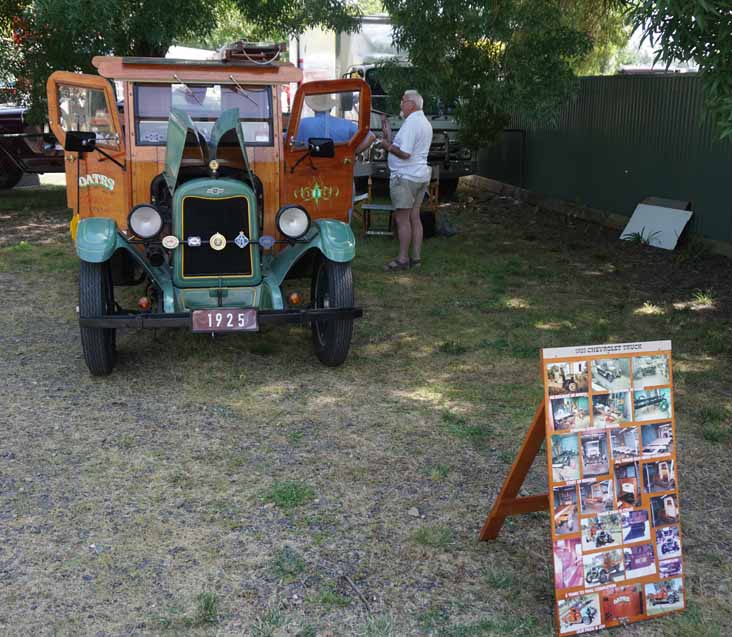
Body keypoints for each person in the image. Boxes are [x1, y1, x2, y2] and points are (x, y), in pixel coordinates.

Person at [380, 89, 433, 271]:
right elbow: (405, 147)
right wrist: (388, 135)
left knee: (402, 220)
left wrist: (387, 145)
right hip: (419, 176)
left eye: (403, 101)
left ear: (412, 104)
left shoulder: (412, 123)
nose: (401, 104)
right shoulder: (423, 122)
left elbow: (405, 153)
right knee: (414, 218)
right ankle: (416, 258)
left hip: (405, 178)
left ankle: (403, 259)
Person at [296, 93, 374, 153]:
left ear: (313, 108)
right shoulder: (346, 125)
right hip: (340, 170)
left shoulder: (303, 124)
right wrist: (352, 153)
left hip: (310, 170)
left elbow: (288, 143)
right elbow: (371, 136)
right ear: (330, 107)